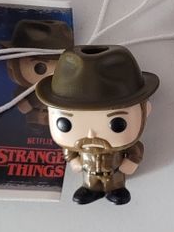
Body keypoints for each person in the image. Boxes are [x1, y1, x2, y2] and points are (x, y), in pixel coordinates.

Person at [36, 44, 159, 204]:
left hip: (114, 172)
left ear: (145, 110)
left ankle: (116, 189)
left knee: (115, 183)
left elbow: (135, 149)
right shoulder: (77, 146)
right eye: (65, 123)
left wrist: (132, 161)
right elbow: (69, 152)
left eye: (117, 123)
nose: (90, 134)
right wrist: (73, 160)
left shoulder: (122, 144)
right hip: (89, 173)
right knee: (90, 183)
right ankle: (90, 189)